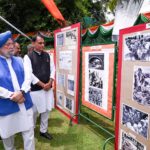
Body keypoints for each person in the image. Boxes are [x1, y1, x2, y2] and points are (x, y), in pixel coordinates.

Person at [0, 31, 35, 150]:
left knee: (29, 133)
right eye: (7, 44)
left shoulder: (20, 60)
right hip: (6, 106)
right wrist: (11, 95)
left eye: (12, 44)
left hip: (25, 103)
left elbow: (28, 77)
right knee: (7, 136)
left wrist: (21, 92)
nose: (11, 46)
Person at [23, 34, 55, 140]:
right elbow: (29, 74)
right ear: (33, 43)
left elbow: (53, 69)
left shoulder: (48, 55)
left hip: (47, 89)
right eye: (40, 43)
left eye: (43, 43)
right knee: (34, 112)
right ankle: (30, 131)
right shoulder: (28, 57)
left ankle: (43, 131)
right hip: (35, 91)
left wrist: (50, 82)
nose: (42, 45)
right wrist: (42, 84)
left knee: (46, 110)